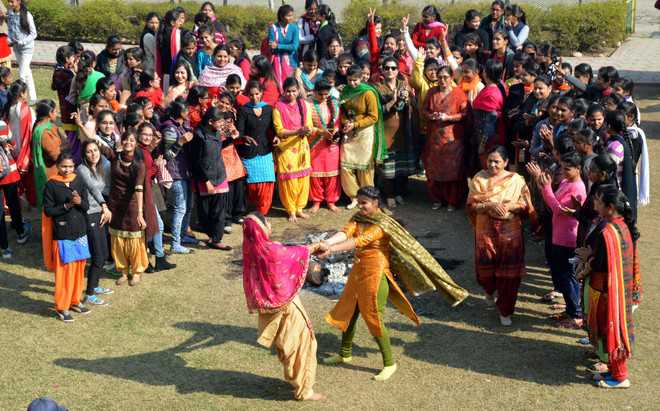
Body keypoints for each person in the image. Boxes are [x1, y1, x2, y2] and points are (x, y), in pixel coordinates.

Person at [319, 186, 468, 379]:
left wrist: (331, 250)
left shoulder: (382, 224)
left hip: (376, 273)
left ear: (376, 203)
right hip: (358, 271)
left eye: (363, 203)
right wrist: (327, 243)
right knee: (349, 311)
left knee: (374, 317)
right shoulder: (359, 217)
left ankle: (389, 363)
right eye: (358, 201)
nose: (360, 206)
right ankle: (345, 354)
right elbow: (346, 232)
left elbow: (360, 241)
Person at [241, 212, 325, 401]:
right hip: (284, 302)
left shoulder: (252, 248)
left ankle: (294, 378)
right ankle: (305, 390)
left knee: (287, 343)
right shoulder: (272, 250)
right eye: (268, 222)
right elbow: (295, 253)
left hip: (269, 306)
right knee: (305, 341)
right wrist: (317, 246)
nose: (270, 224)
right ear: (262, 228)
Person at [467, 146, 535, 326]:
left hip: (510, 231)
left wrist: (508, 206)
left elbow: (525, 205)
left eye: (497, 161)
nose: (492, 165)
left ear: (506, 163)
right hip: (485, 230)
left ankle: (505, 309)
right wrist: (489, 205)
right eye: (490, 161)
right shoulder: (479, 178)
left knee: (510, 273)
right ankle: (489, 290)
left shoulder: (516, 180)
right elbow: (472, 205)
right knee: (486, 270)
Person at [577, 185, 636, 389]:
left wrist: (587, 263)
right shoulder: (622, 226)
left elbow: (601, 264)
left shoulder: (608, 231)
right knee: (613, 328)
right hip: (617, 288)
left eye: (598, 201)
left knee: (611, 328)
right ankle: (612, 370)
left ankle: (620, 377)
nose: (594, 203)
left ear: (609, 207)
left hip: (607, 290)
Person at [528, 152, 587, 329]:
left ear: (578, 169)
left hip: (568, 239)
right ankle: (570, 310)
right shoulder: (567, 182)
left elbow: (557, 208)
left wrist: (544, 186)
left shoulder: (577, 188)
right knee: (562, 275)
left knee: (568, 276)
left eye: (567, 169)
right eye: (562, 168)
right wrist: (541, 182)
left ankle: (576, 314)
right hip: (559, 236)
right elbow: (551, 200)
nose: (563, 171)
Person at [42, 152, 91, 322]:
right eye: (64, 166)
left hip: (80, 232)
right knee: (64, 272)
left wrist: (79, 203)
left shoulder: (79, 180)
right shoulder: (51, 184)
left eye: (70, 166)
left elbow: (85, 206)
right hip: (62, 234)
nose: (67, 169)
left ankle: (75, 300)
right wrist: (67, 205)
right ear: (57, 166)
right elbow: (48, 210)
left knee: (79, 268)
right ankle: (62, 306)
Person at [106, 130, 149, 287]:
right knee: (117, 239)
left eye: (131, 140)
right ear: (121, 142)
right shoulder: (114, 158)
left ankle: (137, 271)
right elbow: (96, 143)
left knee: (134, 239)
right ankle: (123, 271)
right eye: (125, 140)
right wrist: (81, 125)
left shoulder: (139, 164)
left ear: (136, 143)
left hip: (132, 206)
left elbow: (139, 188)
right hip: (115, 205)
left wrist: (140, 213)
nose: (128, 143)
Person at [339, 65, 385, 209]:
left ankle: (368, 198)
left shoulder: (368, 92)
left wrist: (356, 124)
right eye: (349, 80)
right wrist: (345, 122)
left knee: (365, 167)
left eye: (355, 80)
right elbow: (342, 111)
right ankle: (354, 197)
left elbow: (373, 116)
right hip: (350, 131)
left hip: (365, 132)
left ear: (361, 78)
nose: (352, 83)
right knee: (345, 164)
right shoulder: (345, 91)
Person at [423, 65, 468, 211]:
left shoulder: (459, 94)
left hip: (452, 139)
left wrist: (448, 117)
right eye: (440, 77)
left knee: (452, 171)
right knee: (434, 169)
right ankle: (437, 199)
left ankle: (452, 201)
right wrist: (432, 116)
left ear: (451, 78)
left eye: (445, 77)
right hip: (434, 137)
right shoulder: (431, 93)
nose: (442, 80)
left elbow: (465, 114)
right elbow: (424, 110)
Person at [375, 56, 417, 208]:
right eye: (387, 68)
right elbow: (378, 111)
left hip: (403, 130)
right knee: (388, 167)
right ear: (382, 70)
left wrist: (408, 101)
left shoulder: (403, 84)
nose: (390, 71)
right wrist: (393, 101)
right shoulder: (377, 88)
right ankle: (389, 194)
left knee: (401, 165)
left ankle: (400, 192)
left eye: (393, 68)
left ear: (398, 70)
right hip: (386, 131)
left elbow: (413, 106)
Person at [190, 107, 232, 251]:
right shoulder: (199, 136)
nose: (222, 124)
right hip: (204, 178)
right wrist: (206, 181)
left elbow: (218, 147)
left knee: (219, 210)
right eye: (219, 121)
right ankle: (211, 235)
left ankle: (217, 239)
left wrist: (233, 138)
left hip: (219, 175)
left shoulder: (217, 133)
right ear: (210, 121)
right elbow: (195, 161)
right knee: (205, 212)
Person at [77, 140, 113, 306]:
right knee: (98, 255)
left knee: (104, 254)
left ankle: (95, 285)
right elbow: (92, 188)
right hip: (90, 214)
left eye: (95, 150)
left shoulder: (101, 166)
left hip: (101, 214)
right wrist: (104, 206)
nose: (93, 154)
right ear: (84, 154)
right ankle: (89, 294)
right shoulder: (82, 169)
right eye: (89, 151)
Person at [272, 78, 312, 222]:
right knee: (289, 179)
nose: (291, 94)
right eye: (288, 91)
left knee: (303, 178)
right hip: (286, 148)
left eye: (294, 91)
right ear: (283, 91)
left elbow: (309, 125)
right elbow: (279, 130)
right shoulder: (278, 107)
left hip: (302, 146)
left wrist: (307, 130)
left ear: (298, 91)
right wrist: (298, 131)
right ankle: (291, 210)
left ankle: (300, 208)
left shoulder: (304, 105)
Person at [237, 81, 276, 215]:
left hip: (265, 151)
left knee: (267, 182)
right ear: (248, 95)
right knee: (252, 185)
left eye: (257, 94)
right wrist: (244, 138)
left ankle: (263, 212)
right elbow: (239, 132)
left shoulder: (269, 109)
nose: (254, 97)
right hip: (249, 153)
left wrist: (276, 137)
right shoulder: (243, 110)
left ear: (261, 94)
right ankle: (253, 211)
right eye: (251, 95)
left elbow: (273, 129)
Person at [160, 101, 195, 253]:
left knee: (186, 207)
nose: (188, 111)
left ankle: (181, 237)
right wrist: (180, 142)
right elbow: (168, 155)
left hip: (184, 171)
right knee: (179, 209)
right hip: (174, 174)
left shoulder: (182, 126)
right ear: (178, 111)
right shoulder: (170, 129)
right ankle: (175, 243)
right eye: (186, 108)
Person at [308, 79, 341, 212]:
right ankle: (316, 201)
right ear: (314, 92)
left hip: (331, 144)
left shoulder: (333, 103)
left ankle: (331, 201)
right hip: (315, 142)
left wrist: (335, 133)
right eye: (320, 94)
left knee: (331, 174)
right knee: (315, 174)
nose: (323, 97)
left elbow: (338, 122)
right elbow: (306, 124)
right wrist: (320, 131)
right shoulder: (308, 104)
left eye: (326, 94)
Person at [32, 100, 63, 209]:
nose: (56, 114)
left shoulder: (38, 126)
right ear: (50, 113)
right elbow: (55, 155)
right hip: (50, 174)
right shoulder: (45, 131)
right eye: (55, 112)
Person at [6, 0, 37, 103]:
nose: (9, 4)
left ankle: (19, 98)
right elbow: (10, 29)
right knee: (27, 71)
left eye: (11, 2)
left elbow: (34, 34)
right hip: (16, 47)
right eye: (8, 2)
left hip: (27, 48)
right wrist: (9, 39)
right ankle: (33, 97)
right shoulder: (10, 13)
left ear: (19, 1)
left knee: (22, 74)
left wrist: (22, 42)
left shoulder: (27, 15)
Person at [268, 5, 300, 89]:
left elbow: (294, 47)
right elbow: (272, 47)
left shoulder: (294, 28)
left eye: (292, 15)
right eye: (288, 16)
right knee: (278, 86)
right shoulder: (273, 28)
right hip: (277, 63)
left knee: (292, 86)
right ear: (281, 16)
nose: (291, 18)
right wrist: (280, 47)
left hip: (292, 62)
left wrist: (278, 46)